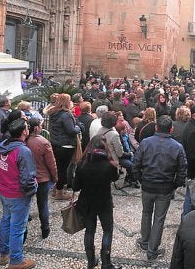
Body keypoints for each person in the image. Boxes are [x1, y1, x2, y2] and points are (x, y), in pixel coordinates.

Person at [133, 115, 187, 261]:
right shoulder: (177, 147)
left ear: (156, 127)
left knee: (146, 213)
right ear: (171, 129)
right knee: (159, 218)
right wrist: (174, 185)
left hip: (148, 185)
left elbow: (136, 163)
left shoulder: (145, 143)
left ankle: (145, 242)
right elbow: (182, 170)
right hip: (165, 187)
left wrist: (140, 179)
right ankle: (152, 250)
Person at [73, 135, 121, 269]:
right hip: (104, 202)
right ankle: (106, 263)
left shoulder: (82, 164)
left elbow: (76, 186)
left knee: (89, 231)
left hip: (87, 202)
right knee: (107, 231)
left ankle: (90, 261)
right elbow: (115, 177)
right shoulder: (109, 165)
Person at [0, 118, 38, 269]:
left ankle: (4, 254)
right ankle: (16, 260)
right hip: (17, 194)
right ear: (24, 132)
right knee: (18, 228)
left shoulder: (3, 146)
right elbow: (28, 177)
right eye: (27, 128)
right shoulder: (23, 151)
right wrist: (33, 189)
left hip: (4, 190)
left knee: (6, 221)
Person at [25, 117, 58, 239]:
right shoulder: (44, 142)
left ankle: (24, 230)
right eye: (40, 125)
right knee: (43, 204)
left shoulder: (24, 141)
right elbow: (51, 163)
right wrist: (55, 177)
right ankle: (45, 228)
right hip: (42, 179)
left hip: (27, 178)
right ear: (36, 128)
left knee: (26, 204)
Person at [48, 93, 81, 200]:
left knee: (58, 167)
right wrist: (78, 128)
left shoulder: (53, 113)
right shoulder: (65, 115)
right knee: (63, 169)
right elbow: (71, 131)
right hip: (65, 145)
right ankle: (59, 192)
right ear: (66, 102)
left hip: (55, 143)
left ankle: (55, 189)